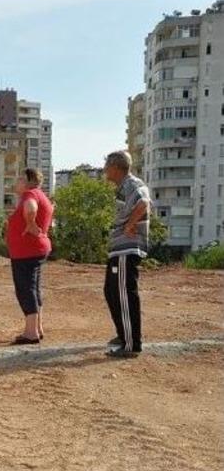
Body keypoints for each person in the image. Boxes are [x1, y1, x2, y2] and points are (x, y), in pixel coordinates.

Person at [103, 151, 150, 358]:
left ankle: (131, 344)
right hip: (119, 248)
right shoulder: (122, 187)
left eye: (107, 165)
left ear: (115, 167)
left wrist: (130, 225)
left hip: (127, 248)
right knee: (111, 291)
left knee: (123, 295)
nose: (105, 169)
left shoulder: (132, 184)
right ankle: (124, 335)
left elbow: (144, 203)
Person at [6, 168, 54, 345]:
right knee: (33, 288)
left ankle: (31, 332)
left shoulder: (29, 195)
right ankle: (37, 328)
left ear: (28, 180)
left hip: (27, 251)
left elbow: (30, 208)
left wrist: (31, 223)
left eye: (20, 178)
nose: (17, 181)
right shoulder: (41, 194)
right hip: (35, 249)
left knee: (26, 289)